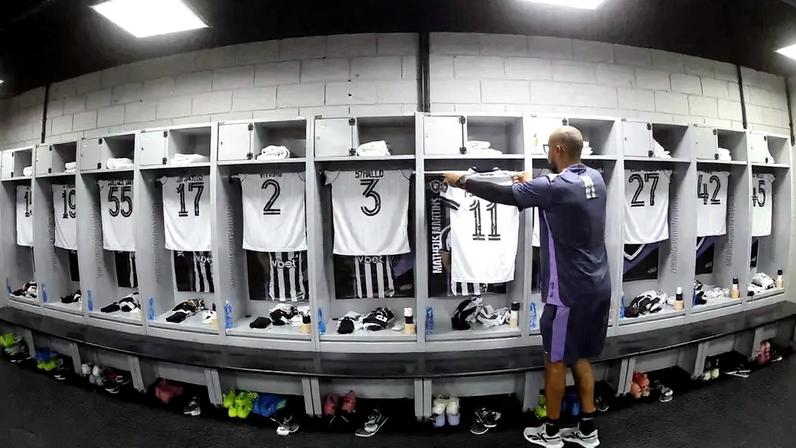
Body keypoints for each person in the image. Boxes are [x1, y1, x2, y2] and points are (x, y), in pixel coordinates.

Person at [443, 126, 611, 448]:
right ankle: (587, 429)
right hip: (598, 284)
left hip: (567, 293)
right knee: (582, 358)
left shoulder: (554, 185)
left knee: (556, 360)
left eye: (548, 148)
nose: (547, 154)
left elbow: (504, 196)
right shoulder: (595, 178)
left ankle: (551, 433)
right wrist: (531, 186)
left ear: (559, 150)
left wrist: (461, 181)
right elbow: (552, 195)